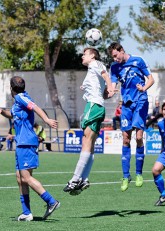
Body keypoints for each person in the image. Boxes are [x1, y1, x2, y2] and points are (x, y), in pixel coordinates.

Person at [0, 76, 59, 221]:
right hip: (21, 143)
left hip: (26, 142)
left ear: (11, 88)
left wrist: (47, 120)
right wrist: (2, 112)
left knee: (26, 177)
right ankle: (26, 212)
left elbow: (35, 107)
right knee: (20, 178)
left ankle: (51, 201)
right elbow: (12, 115)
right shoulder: (18, 102)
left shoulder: (20, 98)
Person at [63, 47, 115, 195]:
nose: (82, 56)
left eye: (84, 54)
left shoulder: (95, 64)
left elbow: (106, 75)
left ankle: (75, 179)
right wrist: (106, 91)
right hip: (97, 106)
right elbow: (102, 90)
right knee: (90, 144)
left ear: (92, 56)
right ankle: (84, 179)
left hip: (93, 106)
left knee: (86, 142)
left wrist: (110, 87)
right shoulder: (92, 70)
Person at [107, 42, 155, 191]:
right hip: (126, 104)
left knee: (139, 137)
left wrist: (144, 88)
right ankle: (126, 175)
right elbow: (113, 86)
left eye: (116, 55)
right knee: (126, 139)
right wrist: (110, 91)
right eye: (112, 57)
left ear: (122, 50)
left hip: (140, 101)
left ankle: (139, 173)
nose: (115, 59)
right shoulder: (114, 67)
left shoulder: (138, 61)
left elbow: (151, 79)